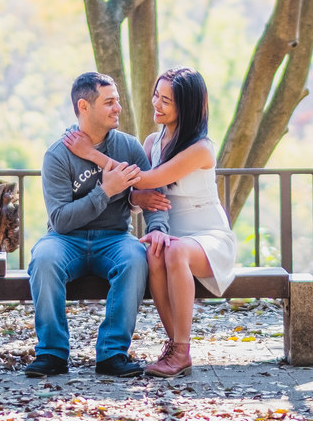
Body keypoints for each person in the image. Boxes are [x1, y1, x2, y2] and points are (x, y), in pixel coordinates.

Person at [63, 66, 236, 378]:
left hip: (208, 237)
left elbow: (146, 177)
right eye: (157, 95)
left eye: (166, 101)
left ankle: (181, 351)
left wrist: (91, 154)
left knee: (174, 251)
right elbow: (139, 191)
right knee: (156, 251)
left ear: (186, 107)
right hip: (172, 237)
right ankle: (175, 347)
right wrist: (136, 200)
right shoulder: (152, 142)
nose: (156, 103)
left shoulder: (200, 148)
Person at [25, 72, 170, 379]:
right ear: (84, 106)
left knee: (134, 258)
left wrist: (157, 228)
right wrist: (105, 191)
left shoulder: (129, 147)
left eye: (117, 101)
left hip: (115, 238)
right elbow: (60, 220)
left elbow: (152, 197)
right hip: (66, 240)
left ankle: (112, 354)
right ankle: (51, 353)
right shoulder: (57, 155)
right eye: (109, 102)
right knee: (43, 258)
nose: (117, 108)